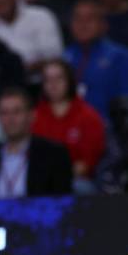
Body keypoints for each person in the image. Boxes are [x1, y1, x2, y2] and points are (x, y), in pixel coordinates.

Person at [64, 0, 128, 123]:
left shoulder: (120, 57)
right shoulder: (64, 57)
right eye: (77, 19)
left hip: (110, 131)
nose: (82, 24)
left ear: (103, 25)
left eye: (90, 19)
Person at [33, 60, 106, 190]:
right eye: (48, 79)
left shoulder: (88, 116)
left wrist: (56, 177)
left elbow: (87, 163)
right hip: (38, 180)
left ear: (70, 81)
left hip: (75, 180)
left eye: (59, 78)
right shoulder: (33, 116)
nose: (53, 84)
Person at [0, 88, 72, 198]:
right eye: (4, 113)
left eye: (16, 112)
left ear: (31, 115)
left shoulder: (54, 154)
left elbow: (61, 205)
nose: (10, 118)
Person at [0, 0, 63, 72]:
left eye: (1, 3)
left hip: (40, 81)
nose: (0, 9)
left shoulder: (41, 16)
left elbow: (55, 57)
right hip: (5, 83)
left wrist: (21, 68)